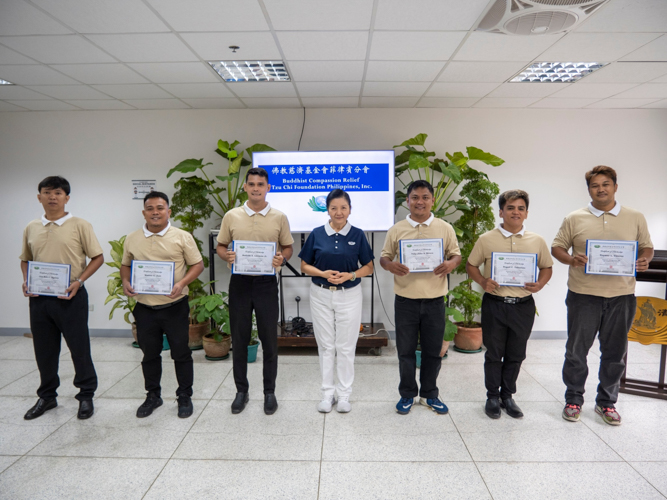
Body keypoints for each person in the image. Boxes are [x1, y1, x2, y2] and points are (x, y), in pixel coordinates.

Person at [552, 166, 653, 426]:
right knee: (576, 351)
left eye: (606, 184)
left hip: (622, 296)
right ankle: (573, 399)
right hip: (583, 295)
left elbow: (646, 247)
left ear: (615, 187)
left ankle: (606, 403)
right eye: (595, 185)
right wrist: (572, 260)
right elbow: (557, 247)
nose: (601, 189)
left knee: (615, 352)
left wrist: (644, 260)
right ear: (589, 190)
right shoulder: (575, 217)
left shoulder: (635, 217)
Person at [20, 176, 104, 420]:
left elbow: (97, 257)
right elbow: (25, 258)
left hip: (71, 296)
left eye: (58, 193)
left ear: (67, 198)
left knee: (79, 348)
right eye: (47, 192)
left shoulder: (80, 225)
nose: (52, 197)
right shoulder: (31, 227)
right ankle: (47, 396)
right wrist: (27, 281)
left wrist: (79, 281)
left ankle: (86, 395)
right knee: (44, 349)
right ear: (39, 197)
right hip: (39, 298)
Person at [466, 190, 553, 419]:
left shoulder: (537, 240)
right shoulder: (486, 239)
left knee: (516, 354)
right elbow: (471, 266)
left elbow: (547, 267)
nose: (516, 212)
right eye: (511, 207)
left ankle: (508, 396)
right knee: (494, 353)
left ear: (526, 213)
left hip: (523, 306)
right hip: (495, 303)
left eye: (521, 208)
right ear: (501, 211)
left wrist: (540, 284)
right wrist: (482, 281)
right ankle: (492, 397)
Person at [216, 167, 294, 415]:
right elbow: (220, 246)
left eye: (261, 184)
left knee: (270, 340)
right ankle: (242, 391)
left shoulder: (279, 217)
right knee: (239, 339)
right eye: (252, 184)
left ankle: (269, 392)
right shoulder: (232, 216)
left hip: (266, 284)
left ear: (268, 187)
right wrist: (226, 255)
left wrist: (281, 258)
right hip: (239, 283)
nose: (256, 188)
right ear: (246, 188)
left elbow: (288, 247)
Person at [380, 180, 461, 415]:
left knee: (433, 350)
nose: (420, 202)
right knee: (405, 350)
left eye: (425, 197)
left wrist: (450, 264)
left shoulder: (444, 228)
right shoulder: (396, 229)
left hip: (435, 300)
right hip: (405, 299)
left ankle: (429, 395)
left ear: (432, 200)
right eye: (415, 197)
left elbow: (456, 255)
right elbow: (384, 258)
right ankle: (407, 394)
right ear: (408, 201)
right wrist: (391, 266)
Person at [121, 192, 204, 419]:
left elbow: (197, 265)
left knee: (181, 353)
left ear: (169, 211)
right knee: (149, 354)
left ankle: (184, 395)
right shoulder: (132, 238)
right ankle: (153, 396)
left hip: (175, 305)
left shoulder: (182, 237)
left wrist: (182, 283)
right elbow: (126, 265)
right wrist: (126, 281)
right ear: (144, 212)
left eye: (160, 208)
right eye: (150, 208)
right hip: (144, 307)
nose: (155, 212)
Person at [299, 189, 374, 413]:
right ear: (327, 210)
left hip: (349, 295)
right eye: (334, 208)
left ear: (350, 209)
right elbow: (304, 266)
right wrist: (323, 273)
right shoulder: (316, 233)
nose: (338, 212)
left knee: (345, 346)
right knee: (325, 345)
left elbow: (369, 267)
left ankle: (344, 395)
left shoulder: (358, 235)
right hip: (320, 293)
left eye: (343, 208)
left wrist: (350, 275)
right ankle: (327, 394)